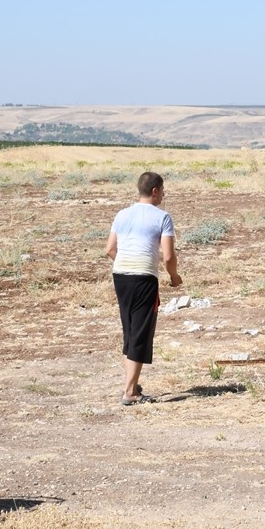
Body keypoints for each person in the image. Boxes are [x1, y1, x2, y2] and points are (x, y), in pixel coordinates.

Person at [106, 171, 181, 405]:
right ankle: (130, 392)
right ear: (155, 191)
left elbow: (109, 249)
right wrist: (174, 276)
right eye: (163, 190)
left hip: (120, 276)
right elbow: (168, 256)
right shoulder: (162, 217)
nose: (164, 195)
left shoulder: (122, 214)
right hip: (144, 278)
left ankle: (131, 383)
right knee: (140, 332)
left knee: (130, 330)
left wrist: (126, 262)